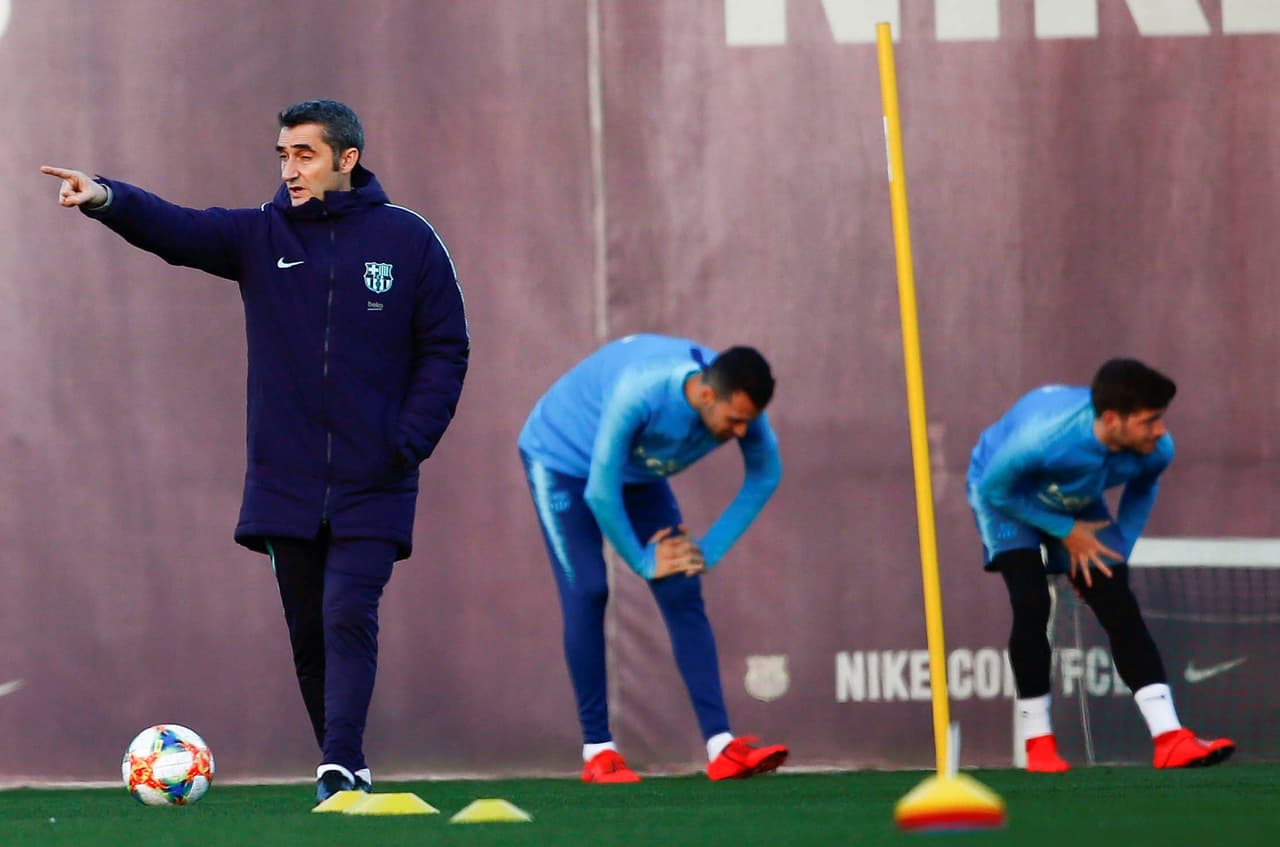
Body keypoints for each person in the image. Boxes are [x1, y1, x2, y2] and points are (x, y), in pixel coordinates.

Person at [41, 99, 469, 802]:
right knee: (309, 631)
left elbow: (447, 348)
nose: (290, 169)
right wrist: (105, 199)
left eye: (305, 154)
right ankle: (345, 764)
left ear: (347, 159)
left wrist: (409, 440)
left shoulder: (408, 239)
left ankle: (339, 765)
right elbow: (178, 229)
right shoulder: (260, 235)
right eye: (283, 155)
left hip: (376, 476)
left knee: (347, 610)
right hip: (285, 480)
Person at [518, 334, 788, 783]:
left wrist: (706, 551)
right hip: (561, 456)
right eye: (735, 421)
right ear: (707, 396)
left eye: (749, 422)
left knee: (681, 581)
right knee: (588, 589)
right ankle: (598, 751)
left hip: (633, 469)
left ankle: (722, 747)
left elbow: (766, 474)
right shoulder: (641, 392)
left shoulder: (739, 406)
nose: (743, 433)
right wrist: (644, 561)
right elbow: (600, 492)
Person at [967, 358, 1235, 772]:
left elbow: (1142, 490)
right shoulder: (1045, 439)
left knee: (1116, 597)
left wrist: (1116, 554)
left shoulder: (1156, 449)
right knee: (1031, 601)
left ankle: (1169, 738)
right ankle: (1038, 743)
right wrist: (1066, 531)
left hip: (1075, 497)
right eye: (1149, 421)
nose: (1160, 430)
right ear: (1112, 420)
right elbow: (995, 491)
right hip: (1007, 496)